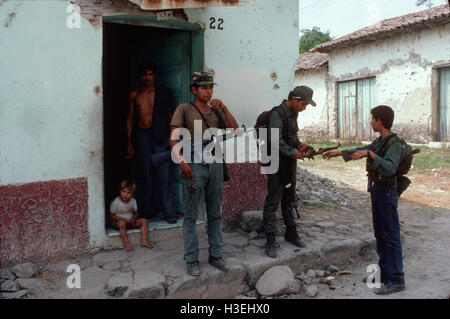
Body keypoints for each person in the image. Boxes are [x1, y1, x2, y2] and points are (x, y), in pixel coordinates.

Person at [323, 105, 406, 295]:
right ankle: (385, 273)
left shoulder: (394, 144)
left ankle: (397, 279)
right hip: (378, 190)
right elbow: (362, 149)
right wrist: (338, 153)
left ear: (380, 121)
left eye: (372, 119)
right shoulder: (380, 141)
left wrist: (371, 155)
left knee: (391, 235)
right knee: (380, 233)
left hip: (386, 191)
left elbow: (390, 168)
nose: (371, 122)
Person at [169, 72, 239, 276]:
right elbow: (173, 139)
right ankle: (191, 259)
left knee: (215, 213)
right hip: (193, 164)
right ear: (194, 90)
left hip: (215, 163)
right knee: (190, 215)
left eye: (211, 87)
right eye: (204, 88)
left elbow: (235, 130)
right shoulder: (184, 109)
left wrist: (223, 108)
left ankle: (216, 255)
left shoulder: (216, 111)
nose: (209, 91)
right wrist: (182, 161)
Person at [262, 86, 316, 258]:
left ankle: (291, 232)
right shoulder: (277, 114)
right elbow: (274, 139)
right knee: (273, 199)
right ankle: (270, 238)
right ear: (294, 99)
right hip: (275, 161)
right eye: (304, 104)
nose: (304, 107)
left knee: (289, 196)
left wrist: (299, 145)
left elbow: (292, 136)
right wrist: (293, 152)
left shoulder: (294, 113)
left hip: (288, 161)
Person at [126, 62, 177, 224]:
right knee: (146, 175)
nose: (147, 78)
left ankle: (168, 211)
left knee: (164, 175)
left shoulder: (163, 93)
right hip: (143, 137)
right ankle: (148, 210)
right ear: (140, 76)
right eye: (145, 74)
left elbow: (171, 117)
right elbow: (129, 118)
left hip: (162, 136)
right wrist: (129, 142)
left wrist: (172, 139)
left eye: (150, 74)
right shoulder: (135, 94)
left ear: (155, 76)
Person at [110, 180, 153, 252]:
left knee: (144, 221)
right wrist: (124, 220)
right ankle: (127, 244)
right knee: (122, 223)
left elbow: (136, 213)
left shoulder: (133, 201)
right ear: (120, 191)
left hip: (130, 222)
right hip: (119, 223)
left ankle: (144, 241)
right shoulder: (116, 202)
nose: (126, 194)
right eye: (123, 191)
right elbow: (112, 216)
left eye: (129, 193)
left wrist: (134, 218)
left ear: (132, 194)